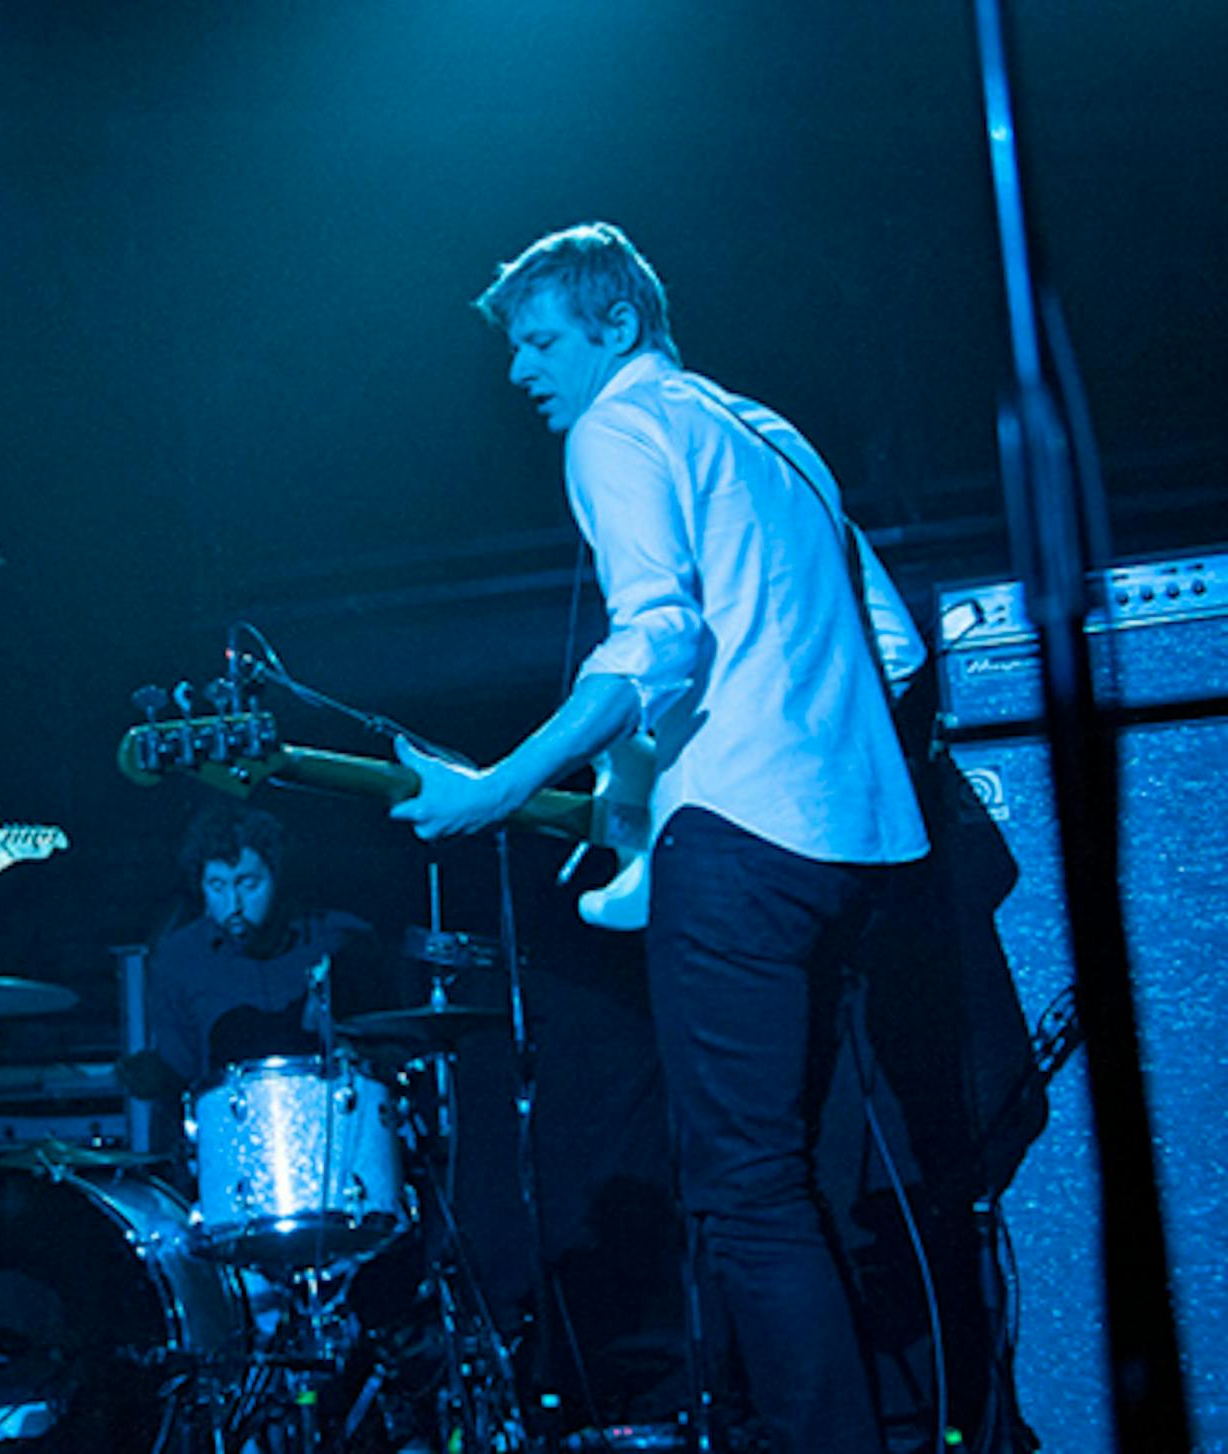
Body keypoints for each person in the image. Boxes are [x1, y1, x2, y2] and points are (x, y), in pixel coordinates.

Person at [390, 223, 927, 1454]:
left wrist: (498, 787)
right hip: (856, 850)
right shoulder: (773, 436)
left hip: (738, 847)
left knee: (745, 1191)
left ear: (615, 326)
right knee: (809, 1185)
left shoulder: (617, 428)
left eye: (538, 341)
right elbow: (896, 650)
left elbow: (662, 640)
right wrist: (637, 789)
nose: (522, 372)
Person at [121, 803, 389, 1156]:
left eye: (248, 884)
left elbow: (390, 1047)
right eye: (216, 886)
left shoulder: (338, 940)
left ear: (276, 876)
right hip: (232, 1151)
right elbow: (182, 1073)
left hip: (339, 1142)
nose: (233, 904)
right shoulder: (178, 959)